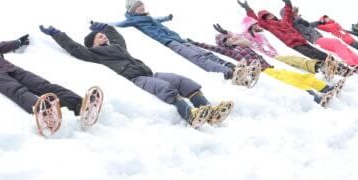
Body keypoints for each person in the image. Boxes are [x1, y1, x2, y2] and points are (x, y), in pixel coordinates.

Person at [39, 22, 232, 127]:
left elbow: (117, 37)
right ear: (92, 43)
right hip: (137, 78)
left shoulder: (117, 47)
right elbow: (74, 47)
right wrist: (56, 33)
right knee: (166, 88)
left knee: (183, 81)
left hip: (150, 72)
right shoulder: (93, 54)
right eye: (99, 37)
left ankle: (209, 110)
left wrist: (105, 27)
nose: (103, 37)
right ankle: (190, 115)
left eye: (103, 36)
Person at [107, 0, 253, 86]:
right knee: (197, 57)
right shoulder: (132, 20)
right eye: (139, 6)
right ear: (133, 9)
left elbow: (158, 19)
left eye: (142, 5)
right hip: (169, 42)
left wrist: (167, 18)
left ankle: (233, 67)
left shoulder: (148, 17)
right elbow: (118, 23)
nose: (142, 7)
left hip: (177, 38)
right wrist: (102, 25)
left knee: (207, 54)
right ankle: (228, 73)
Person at [189, 25, 343, 107]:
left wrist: (228, 33)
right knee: (292, 82)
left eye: (228, 38)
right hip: (262, 71)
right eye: (225, 40)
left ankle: (325, 88)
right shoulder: (229, 51)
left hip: (269, 67)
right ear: (223, 43)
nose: (229, 40)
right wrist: (194, 43)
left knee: (299, 76)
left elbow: (244, 37)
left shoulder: (243, 44)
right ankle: (314, 97)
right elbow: (212, 48)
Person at [237, 0, 350, 78]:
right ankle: (334, 71)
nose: (269, 17)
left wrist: (288, 2)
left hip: (302, 41)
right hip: (293, 44)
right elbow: (256, 19)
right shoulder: (268, 25)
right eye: (266, 16)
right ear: (264, 19)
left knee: (323, 55)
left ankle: (342, 68)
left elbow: (288, 13)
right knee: (315, 56)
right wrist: (248, 9)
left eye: (270, 14)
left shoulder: (284, 21)